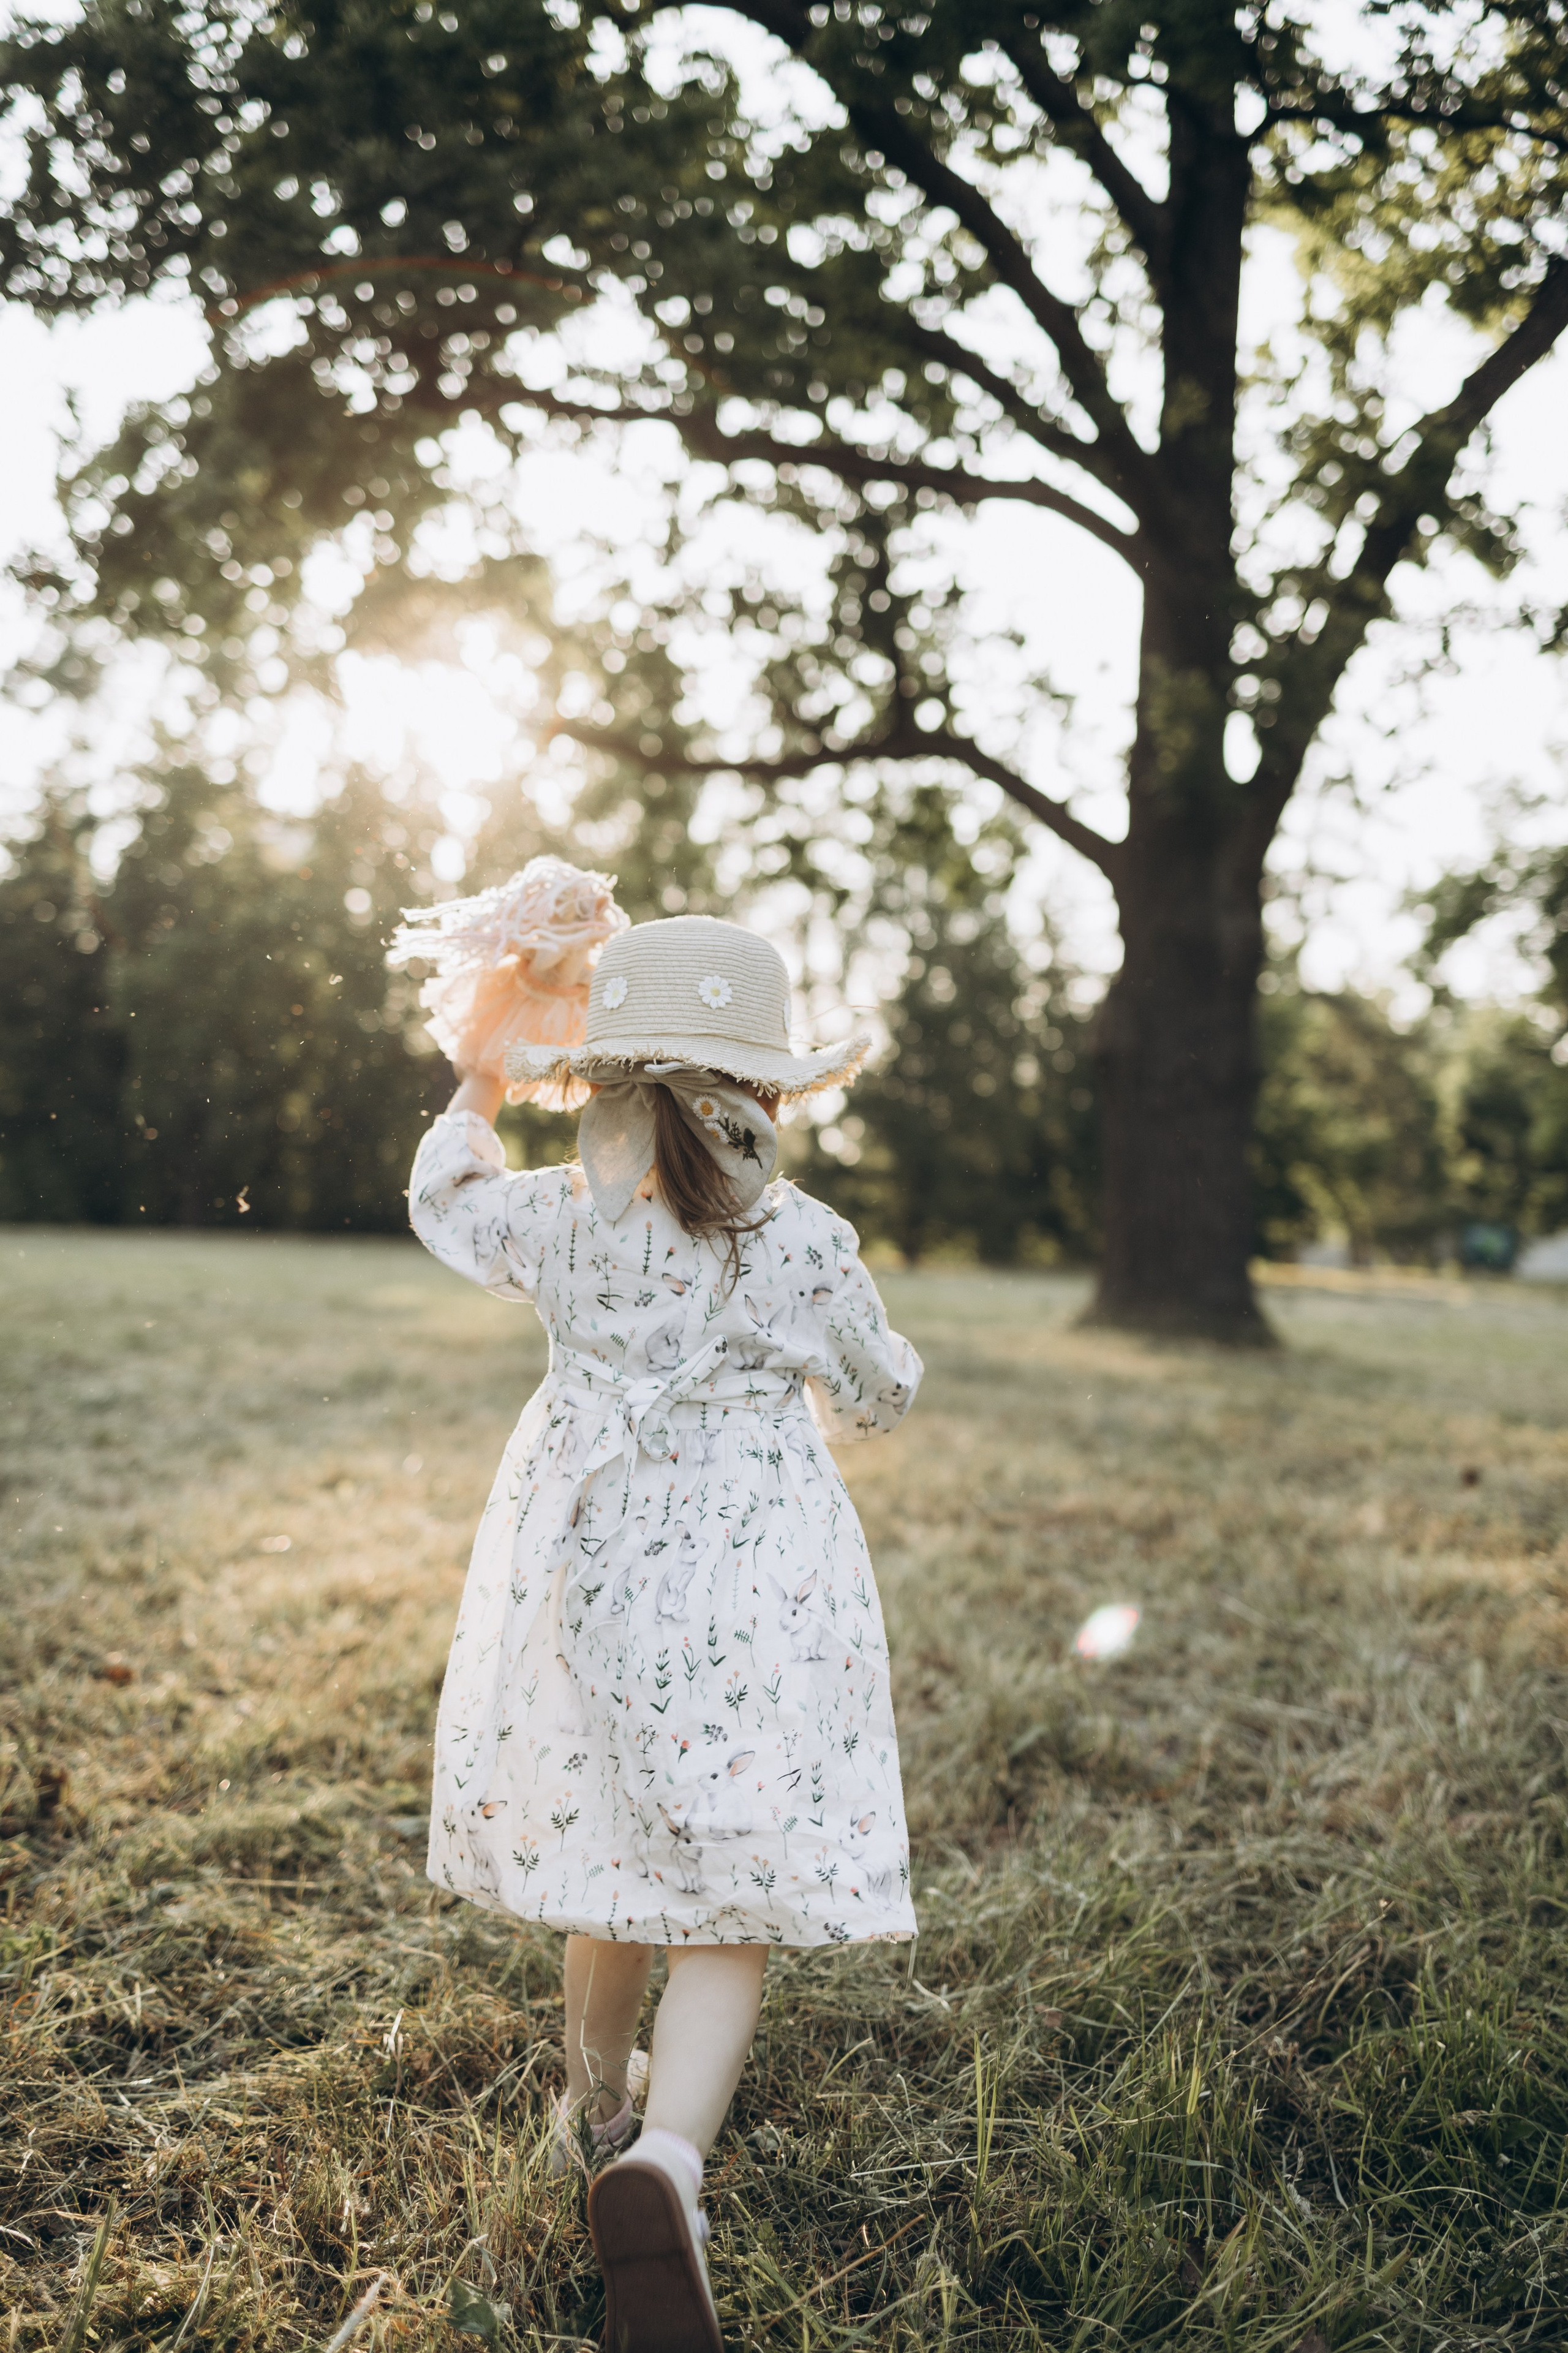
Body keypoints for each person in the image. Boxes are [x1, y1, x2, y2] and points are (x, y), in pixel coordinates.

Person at [408, 912, 921, 2353]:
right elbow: (880, 1392)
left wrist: (480, 1074)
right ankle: (667, 2166)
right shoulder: (804, 1241)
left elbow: (445, 1196)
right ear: (765, 1094)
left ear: (603, 1079)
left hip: (595, 1575)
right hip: (755, 1599)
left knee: (614, 1860)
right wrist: (882, 1367)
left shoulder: (558, 1224)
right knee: (728, 1894)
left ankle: (588, 2103)